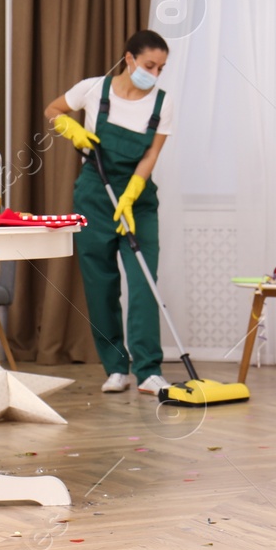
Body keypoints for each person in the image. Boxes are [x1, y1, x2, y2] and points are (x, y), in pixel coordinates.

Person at [45, 30, 172, 396]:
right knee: (100, 285)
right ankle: (116, 367)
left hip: (137, 199)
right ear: (129, 59)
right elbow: (52, 110)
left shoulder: (163, 103)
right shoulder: (93, 90)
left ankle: (149, 370)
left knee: (144, 283)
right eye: (149, 65)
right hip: (95, 197)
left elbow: (150, 156)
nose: (155, 73)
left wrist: (132, 194)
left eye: (161, 67)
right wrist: (69, 128)